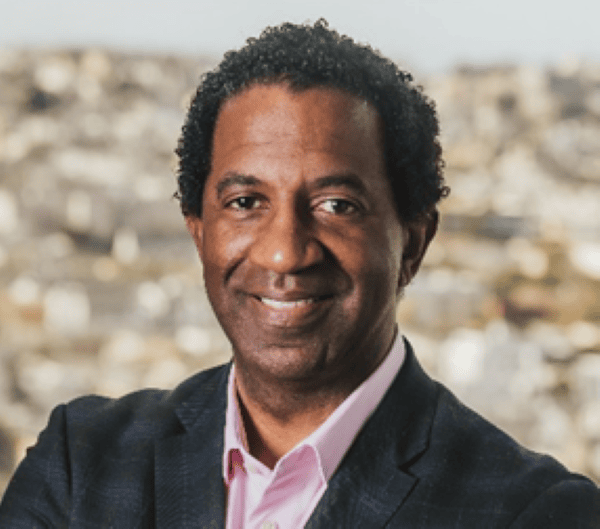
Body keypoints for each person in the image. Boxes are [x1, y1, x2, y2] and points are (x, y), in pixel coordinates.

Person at [1, 19, 599, 528]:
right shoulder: (81, 467)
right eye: (245, 202)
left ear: (413, 244)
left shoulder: (534, 512)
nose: (284, 254)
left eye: (337, 205)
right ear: (198, 231)